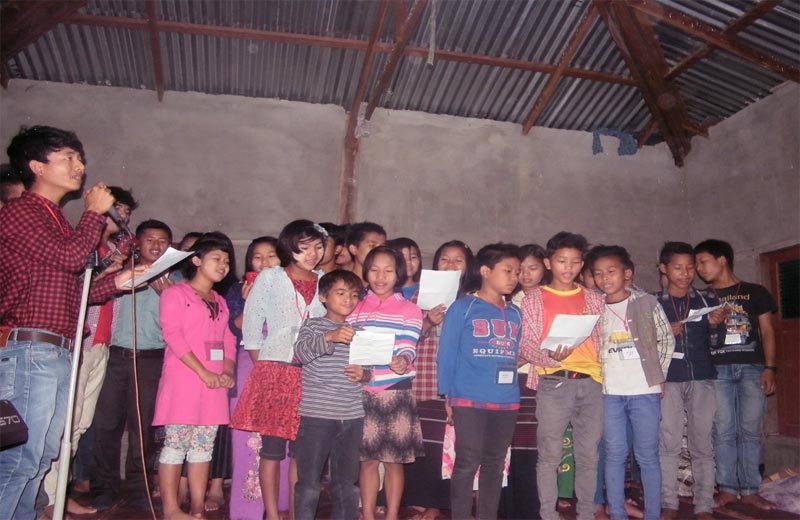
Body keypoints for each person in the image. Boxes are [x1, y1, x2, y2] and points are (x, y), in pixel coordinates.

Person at [0, 125, 144, 519]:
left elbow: (76, 291)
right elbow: (70, 259)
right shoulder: (21, 212)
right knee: (20, 458)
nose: (80, 166)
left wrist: (119, 281)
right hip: (30, 348)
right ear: (36, 166)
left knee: (42, 455)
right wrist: (94, 215)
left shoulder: (57, 219)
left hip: (57, 349)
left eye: (79, 157)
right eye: (68, 157)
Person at [40, 186, 139, 518]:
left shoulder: (113, 248)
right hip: (77, 344)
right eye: (117, 208)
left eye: (126, 211)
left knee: (79, 424)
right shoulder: (80, 243)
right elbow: (79, 284)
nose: (122, 216)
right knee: (64, 423)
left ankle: (59, 492)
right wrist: (111, 269)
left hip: (101, 344)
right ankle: (49, 499)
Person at [230, 220, 328, 520]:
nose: (312, 253)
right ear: (289, 247)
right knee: (271, 449)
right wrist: (265, 367)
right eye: (304, 247)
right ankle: (272, 514)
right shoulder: (272, 277)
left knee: (303, 451)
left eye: (318, 247)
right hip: (274, 370)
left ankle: (298, 513)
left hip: (311, 374)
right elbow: (251, 325)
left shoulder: (325, 279)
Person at [519, 231, 604, 520]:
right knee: (550, 455)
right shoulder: (534, 298)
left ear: (582, 265)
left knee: (589, 456)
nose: (568, 268)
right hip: (554, 381)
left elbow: (601, 340)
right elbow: (526, 342)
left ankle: (585, 514)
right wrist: (548, 356)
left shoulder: (593, 299)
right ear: (548, 262)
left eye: (575, 262)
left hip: (592, 382)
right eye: (561, 261)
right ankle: (548, 515)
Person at [90, 219, 174, 510]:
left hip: (151, 361)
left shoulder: (175, 282)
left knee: (143, 428)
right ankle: (104, 487)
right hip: (116, 357)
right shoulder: (123, 273)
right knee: (107, 424)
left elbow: (182, 325)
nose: (155, 245)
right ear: (138, 243)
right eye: (149, 239)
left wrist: (169, 297)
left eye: (162, 241)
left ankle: (140, 487)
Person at [154, 234, 237, 520]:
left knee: (203, 446)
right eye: (217, 259)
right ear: (197, 260)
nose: (223, 265)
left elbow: (227, 339)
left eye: (226, 261)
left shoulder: (220, 300)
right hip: (185, 380)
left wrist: (226, 371)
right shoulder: (175, 293)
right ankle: (171, 509)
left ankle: (198, 507)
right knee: (176, 444)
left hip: (214, 384)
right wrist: (203, 371)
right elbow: (173, 336)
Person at [438, 243, 522, 520]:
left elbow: (514, 354)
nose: (514, 277)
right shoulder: (463, 307)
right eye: (507, 270)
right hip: (468, 398)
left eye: (517, 271)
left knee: (495, 464)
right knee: (466, 463)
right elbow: (447, 353)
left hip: (507, 401)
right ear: (485, 271)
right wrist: (447, 395)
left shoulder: (515, 313)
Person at [694, 239, 778, 510]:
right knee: (724, 430)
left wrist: (770, 368)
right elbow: (696, 336)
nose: (698, 268)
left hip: (752, 368)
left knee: (750, 431)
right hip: (717, 370)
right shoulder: (702, 297)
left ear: (722, 260)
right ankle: (728, 488)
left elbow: (767, 331)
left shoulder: (755, 292)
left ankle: (751, 489)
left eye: (702, 261)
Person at [591, 245, 674, 520]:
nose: (605, 278)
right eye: (598, 274)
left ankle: (653, 514)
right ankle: (617, 513)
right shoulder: (595, 308)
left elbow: (666, 339)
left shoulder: (645, 302)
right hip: (610, 393)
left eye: (611, 271)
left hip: (644, 392)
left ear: (628, 273)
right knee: (614, 455)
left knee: (647, 456)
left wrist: (657, 375)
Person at [402, 240, 477, 519]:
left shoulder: (473, 298)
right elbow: (404, 337)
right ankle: (416, 498)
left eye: (458, 260)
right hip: (419, 376)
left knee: (444, 445)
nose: (451, 265)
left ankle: (437, 503)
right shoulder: (418, 295)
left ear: (468, 265)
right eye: (445, 259)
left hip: (456, 379)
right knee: (418, 442)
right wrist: (428, 323)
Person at [348, 246, 424, 520]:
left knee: (394, 461)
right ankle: (367, 515)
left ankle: (391, 516)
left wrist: (403, 359)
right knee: (366, 461)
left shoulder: (410, 310)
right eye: (374, 269)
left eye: (388, 271)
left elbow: (409, 347)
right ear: (366, 272)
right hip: (360, 391)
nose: (380, 277)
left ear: (398, 274)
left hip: (395, 390)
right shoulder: (353, 306)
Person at [655, 241, 725, 520]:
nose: (685, 273)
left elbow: (718, 344)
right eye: (677, 267)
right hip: (669, 379)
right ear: (663, 268)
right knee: (669, 443)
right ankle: (669, 503)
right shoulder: (653, 303)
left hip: (702, 377)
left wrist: (715, 327)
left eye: (690, 267)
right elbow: (645, 346)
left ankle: (704, 505)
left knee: (702, 444)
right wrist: (664, 334)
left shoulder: (707, 300)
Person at [292, 269, 370, 519]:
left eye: (354, 294)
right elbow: (300, 353)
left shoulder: (359, 331)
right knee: (309, 482)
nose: (348, 299)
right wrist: (331, 336)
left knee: (347, 483)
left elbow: (370, 369)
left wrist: (364, 374)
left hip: (352, 416)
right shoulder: (313, 325)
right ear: (324, 296)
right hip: (317, 416)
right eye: (341, 293)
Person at [227, 236, 280, 520]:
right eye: (257, 257)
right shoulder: (238, 290)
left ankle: (279, 505)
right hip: (249, 366)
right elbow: (234, 328)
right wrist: (251, 304)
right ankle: (246, 508)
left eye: (271, 256)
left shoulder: (290, 290)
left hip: (283, 367)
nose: (264, 263)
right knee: (247, 438)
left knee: (278, 436)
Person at [345, 221, 387, 285]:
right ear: (354, 249)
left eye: (382, 246)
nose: (379, 250)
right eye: (372, 245)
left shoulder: (386, 284)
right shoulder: (342, 283)